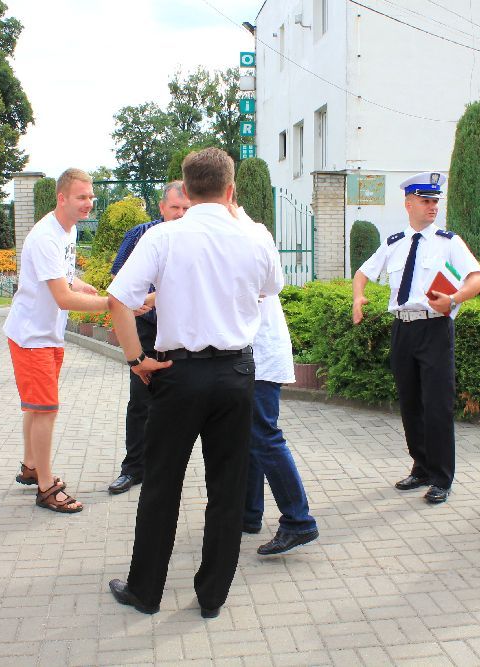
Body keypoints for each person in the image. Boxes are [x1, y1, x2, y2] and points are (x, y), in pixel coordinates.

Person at [106, 147, 283, 619]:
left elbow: (119, 300)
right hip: (235, 374)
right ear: (230, 191)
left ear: (184, 190)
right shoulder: (256, 237)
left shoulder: (165, 236)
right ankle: (212, 597)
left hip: (177, 374)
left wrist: (136, 359)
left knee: (162, 483)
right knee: (227, 486)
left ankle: (146, 592)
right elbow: (271, 289)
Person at [352, 172, 480, 505]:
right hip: (403, 328)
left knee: (437, 405)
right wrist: (358, 297)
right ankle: (421, 467)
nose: (432, 207)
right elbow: (363, 273)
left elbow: (477, 279)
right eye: (426, 201)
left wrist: (455, 300)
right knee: (410, 403)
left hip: (435, 328)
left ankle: (442, 477)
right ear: (408, 203)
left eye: (435, 201)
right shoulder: (394, 242)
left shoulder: (448, 242)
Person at [3, 168, 110, 513]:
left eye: (91, 197)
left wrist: (79, 282)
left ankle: (31, 465)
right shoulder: (45, 236)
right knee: (46, 409)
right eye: (82, 197)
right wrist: (112, 304)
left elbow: (62, 279)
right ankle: (46, 486)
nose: (88, 203)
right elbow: (62, 299)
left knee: (37, 407)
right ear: (61, 198)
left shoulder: (68, 230)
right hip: (33, 336)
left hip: (47, 334)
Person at [232, 204, 319, 555]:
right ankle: (249, 515)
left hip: (258, 356)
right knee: (250, 436)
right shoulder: (249, 231)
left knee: (264, 436)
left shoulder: (247, 236)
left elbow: (268, 287)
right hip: (251, 354)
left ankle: (299, 521)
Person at [107, 181, 191, 494]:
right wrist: (139, 298)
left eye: (186, 209)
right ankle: (133, 468)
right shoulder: (141, 234)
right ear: (162, 208)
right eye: (175, 208)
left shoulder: (195, 238)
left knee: (180, 401)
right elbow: (118, 278)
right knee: (140, 400)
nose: (181, 214)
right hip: (145, 327)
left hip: (180, 330)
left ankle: (166, 467)